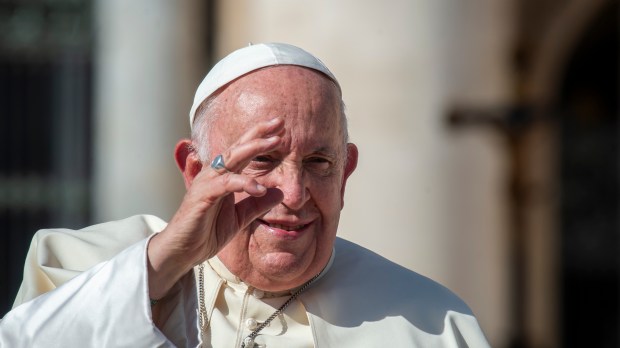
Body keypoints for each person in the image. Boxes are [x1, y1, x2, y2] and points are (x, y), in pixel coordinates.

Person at [0, 43, 490, 347]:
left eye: (320, 164)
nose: (294, 194)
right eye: (262, 160)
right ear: (195, 170)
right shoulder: (77, 268)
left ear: (345, 175)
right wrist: (161, 265)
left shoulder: (431, 324)